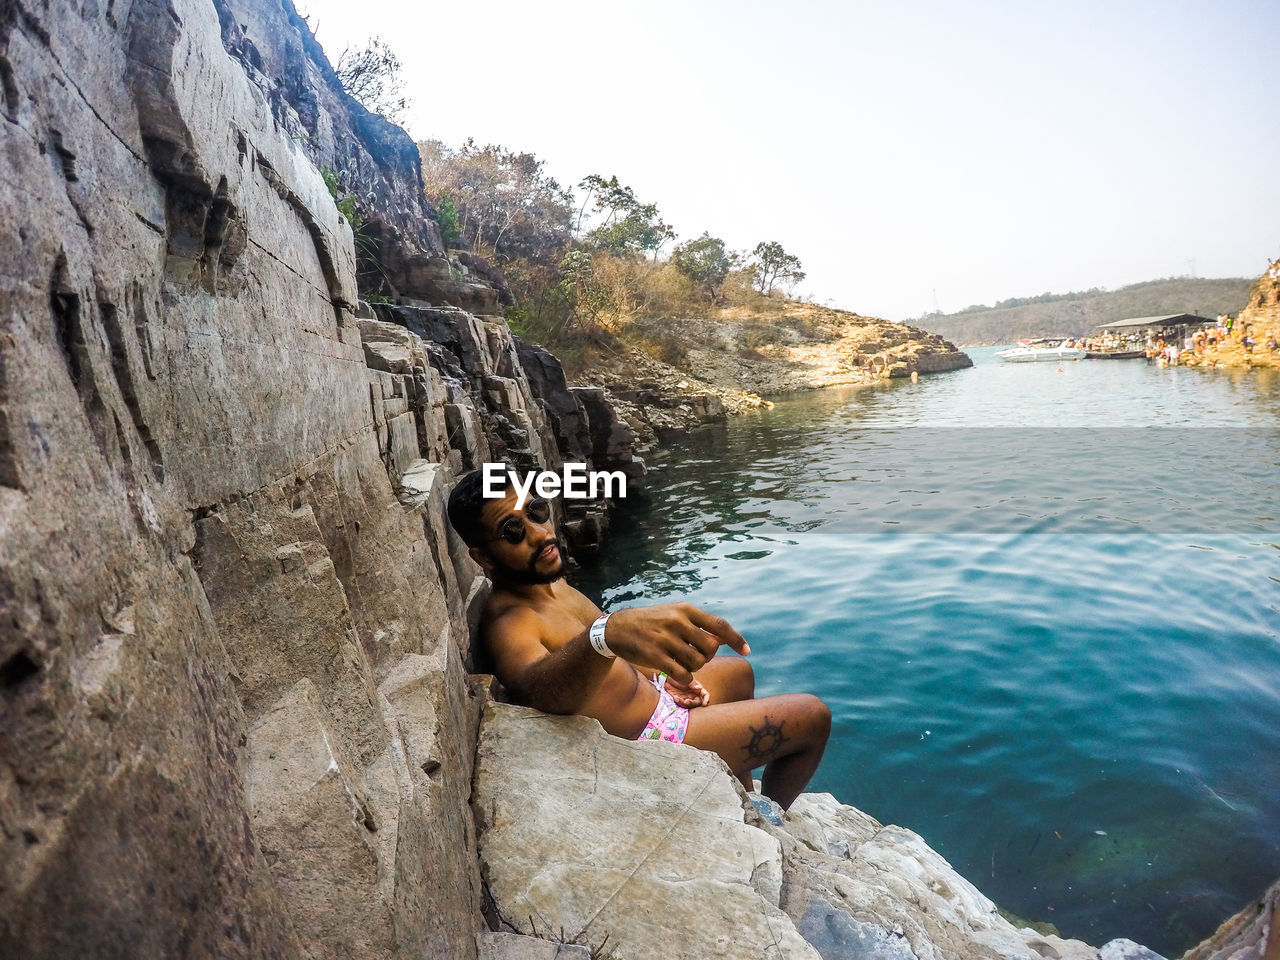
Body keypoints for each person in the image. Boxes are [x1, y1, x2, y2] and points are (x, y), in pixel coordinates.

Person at [447, 466, 831, 810]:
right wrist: (607, 633)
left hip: (656, 700)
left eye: (536, 512)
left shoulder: (552, 585)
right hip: (651, 738)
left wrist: (663, 676)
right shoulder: (511, 621)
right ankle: (769, 814)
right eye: (512, 532)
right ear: (483, 557)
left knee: (738, 673)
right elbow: (537, 689)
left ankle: (737, 796)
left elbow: (613, 660)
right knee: (812, 716)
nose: (540, 534)